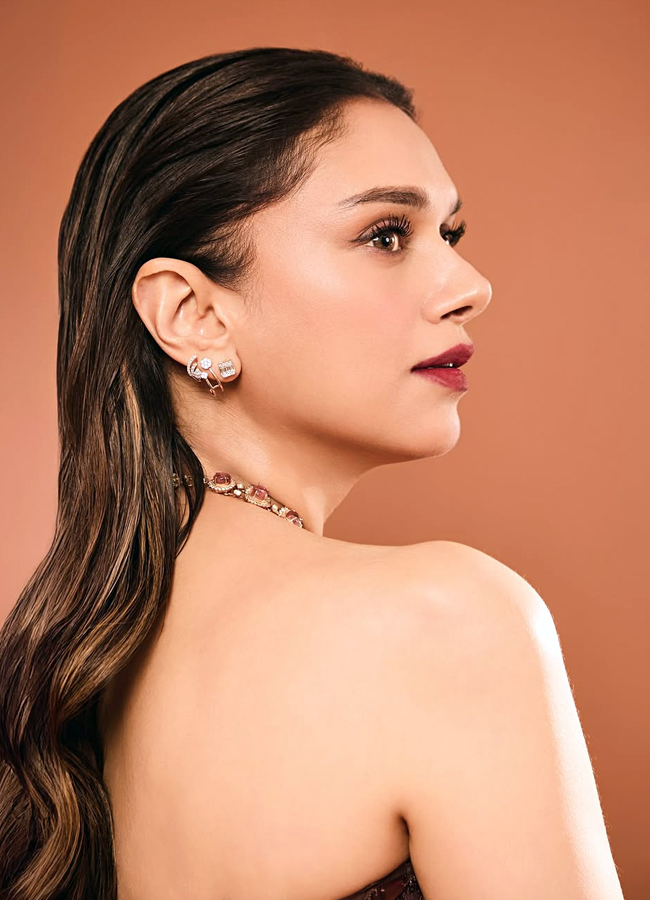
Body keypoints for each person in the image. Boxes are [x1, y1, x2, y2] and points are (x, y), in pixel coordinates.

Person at [0, 47, 625, 900]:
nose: (470, 286)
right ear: (193, 315)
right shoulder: (447, 623)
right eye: (385, 235)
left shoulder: (84, 674)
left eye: (449, 235)